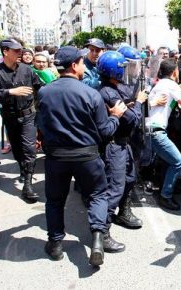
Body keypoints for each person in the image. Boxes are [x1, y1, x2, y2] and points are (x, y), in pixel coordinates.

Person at [38, 46, 127, 266]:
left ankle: (56, 244)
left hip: (56, 157)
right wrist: (115, 116)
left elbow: (40, 125)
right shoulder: (90, 93)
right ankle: (98, 239)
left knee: (55, 200)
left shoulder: (44, 92)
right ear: (75, 64)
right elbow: (105, 131)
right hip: (87, 156)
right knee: (98, 195)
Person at [0, 38, 44, 201]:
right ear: (5, 51)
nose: (20, 53)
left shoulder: (27, 70)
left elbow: (39, 87)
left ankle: (27, 184)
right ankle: (22, 169)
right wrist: (12, 92)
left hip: (29, 116)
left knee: (29, 149)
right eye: (16, 50)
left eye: (21, 50)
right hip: (10, 117)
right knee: (18, 150)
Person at [97, 51, 148, 232]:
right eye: (123, 68)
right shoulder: (108, 93)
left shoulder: (116, 87)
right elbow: (132, 118)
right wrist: (140, 102)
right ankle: (102, 232)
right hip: (114, 144)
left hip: (124, 143)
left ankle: (123, 213)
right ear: (114, 71)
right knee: (115, 188)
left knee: (130, 178)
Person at [147, 58, 181, 211]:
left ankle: (168, 187)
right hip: (157, 131)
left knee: (167, 161)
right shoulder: (171, 85)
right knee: (178, 161)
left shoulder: (160, 84)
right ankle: (165, 196)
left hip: (153, 130)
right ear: (175, 72)